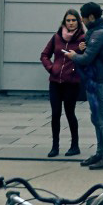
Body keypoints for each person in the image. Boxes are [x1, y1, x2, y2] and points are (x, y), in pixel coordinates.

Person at [69, 2, 103, 170]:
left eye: (83, 17)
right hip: (93, 81)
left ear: (91, 17)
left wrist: (74, 55)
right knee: (96, 119)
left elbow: (86, 59)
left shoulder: (99, 33)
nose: (82, 20)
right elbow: (91, 54)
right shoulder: (95, 32)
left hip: (99, 82)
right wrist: (84, 47)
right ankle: (100, 152)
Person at [41, 9, 85, 158]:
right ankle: (55, 146)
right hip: (55, 81)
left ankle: (75, 145)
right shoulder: (57, 37)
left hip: (71, 82)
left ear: (78, 22)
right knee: (55, 114)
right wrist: (51, 68)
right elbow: (44, 55)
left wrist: (80, 52)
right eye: (68, 20)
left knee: (70, 113)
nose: (71, 23)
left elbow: (86, 59)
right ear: (64, 22)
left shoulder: (82, 39)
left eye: (73, 20)